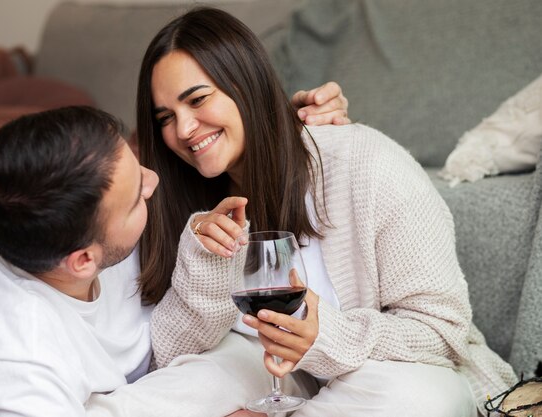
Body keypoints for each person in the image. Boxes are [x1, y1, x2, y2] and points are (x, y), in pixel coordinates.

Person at [128, 7, 518, 417]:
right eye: (166, 118)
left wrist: (323, 337)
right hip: (275, 381)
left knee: (414, 396)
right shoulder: (185, 207)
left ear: (245, 85)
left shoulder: (366, 163)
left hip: (392, 378)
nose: (184, 129)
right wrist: (206, 265)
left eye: (198, 99)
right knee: (197, 380)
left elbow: (442, 332)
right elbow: (168, 358)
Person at [0, 105, 348, 415]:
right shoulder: (8, 362)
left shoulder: (41, 197)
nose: (153, 181)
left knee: (240, 358)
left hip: (145, 387)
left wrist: (291, 124)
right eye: (134, 197)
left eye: (136, 164)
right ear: (83, 259)